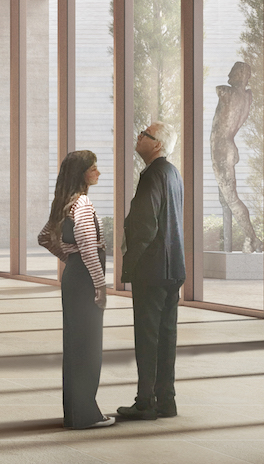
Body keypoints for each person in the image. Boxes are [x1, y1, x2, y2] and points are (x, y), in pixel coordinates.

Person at [39, 148, 114, 429]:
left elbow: (44, 237)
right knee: (89, 348)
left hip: (72, 277)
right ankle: (87, 414)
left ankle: (75, 412)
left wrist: (65, 255)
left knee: (74, 346)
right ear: (81, 174)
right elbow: (88, 249)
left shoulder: (63, 203)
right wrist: (101, 286)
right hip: (84, 280)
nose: (98, 172)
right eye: (93, 168)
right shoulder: (82, 204)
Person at [117, 122, 185, 421]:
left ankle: (145, 402)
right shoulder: (172, 173)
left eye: (145, 135)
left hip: (152, 269)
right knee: (165, 337)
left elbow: (145, 225)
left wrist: (129, 263)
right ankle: (166, 400)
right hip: (172, 269)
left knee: (147, 338)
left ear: (156, 145)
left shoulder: (152, 175)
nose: (139, 137)